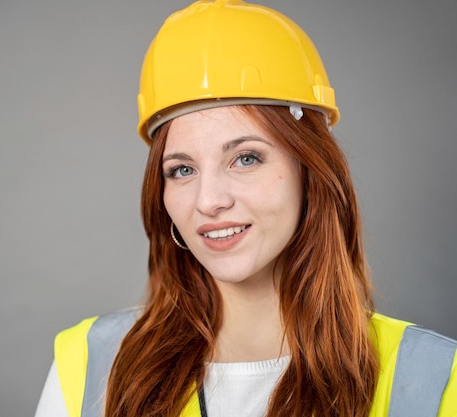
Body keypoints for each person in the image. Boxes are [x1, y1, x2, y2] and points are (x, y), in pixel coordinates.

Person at [35, 1, 457, 416]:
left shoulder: (433, 379)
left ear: (310, 169)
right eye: (182, 169)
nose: (209, 201)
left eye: (246, 158)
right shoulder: (90, 362)